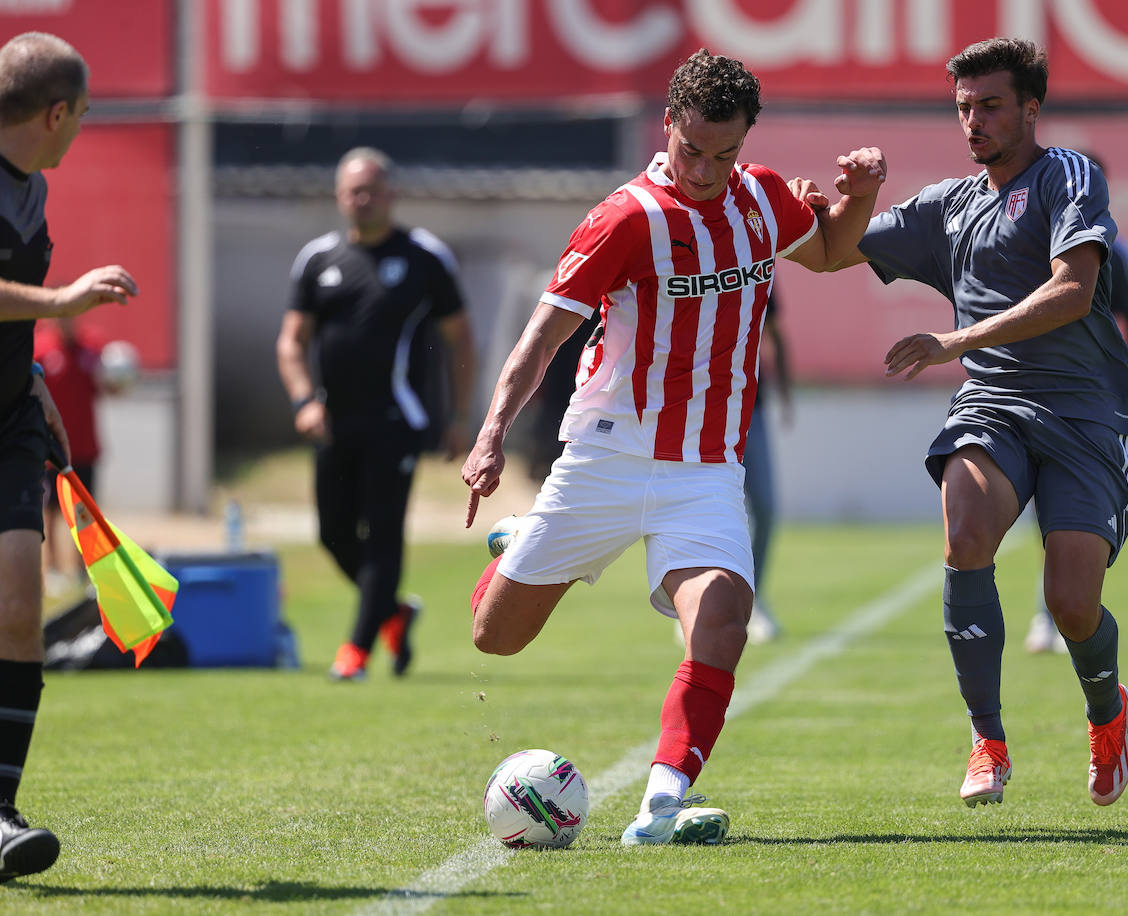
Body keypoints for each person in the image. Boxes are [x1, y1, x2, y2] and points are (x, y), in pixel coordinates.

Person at [461, 48, 885, 845]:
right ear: (668, 125)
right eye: (692, 149)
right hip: (608, 454)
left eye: (723, 154)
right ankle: (519, 541)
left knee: (723, 617)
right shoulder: (624, 218)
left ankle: (662, 799)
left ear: (745, 141)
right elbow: (543, 335)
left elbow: (831, 251)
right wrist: (490, 438)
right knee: (496, 636)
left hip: (706, 467)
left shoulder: (760, 199)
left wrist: (859, 199)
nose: (705, 169)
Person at [790, 37, 1128, 808]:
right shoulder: (949, 205)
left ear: (1030, 109)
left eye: (989, 106)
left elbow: (1073, 292)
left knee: (1074, 606)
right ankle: (988, 740)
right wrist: (841, 198)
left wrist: (956, 339)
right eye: (963, 108)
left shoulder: (1067, 175)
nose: (973, 121)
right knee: (965, 531)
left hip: (1082, 412)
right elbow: (824, 253)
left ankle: (1108, 714)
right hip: (994, 404)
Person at [0, 31, 140, 882]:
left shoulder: (32, 189)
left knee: (19, 605)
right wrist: (61, 299)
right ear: (56, 112)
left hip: (10, 416)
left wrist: (36, 382)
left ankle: (1, 812)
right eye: (80, 115)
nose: (81, 128)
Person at [276, 147, 474, 681]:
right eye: (351, 191)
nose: (360, 200)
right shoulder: (318, 259)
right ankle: (393, 612)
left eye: (370, 190)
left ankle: (356, 651)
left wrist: (458, 415)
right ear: (339, 197)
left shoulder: (424, 257)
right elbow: (292, 341)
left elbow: (460, 340)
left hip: (398, 423)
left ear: (390, 194)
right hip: (333, 423)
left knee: (384, 532)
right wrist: (302, 401)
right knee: (333, 533)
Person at [1024, 150, 1128, 654]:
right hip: (1037, 404)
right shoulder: (1038, 247)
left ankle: (1058, 617)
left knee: (1081, 521)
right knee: (1049, 516)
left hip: (1096, 410)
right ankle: (1045, 616)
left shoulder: (1118, 255)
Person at [32, 317, 115, 594]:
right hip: (51, 448)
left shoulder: (92, 350)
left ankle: (83, 570)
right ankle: (54, 570)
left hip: (85, 447)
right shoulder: (41, 349)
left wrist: (116, 382)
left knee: (85, 513)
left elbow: (105, 387)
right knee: (52, 511)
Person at [740, 289, 792, 642]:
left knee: (765, 508)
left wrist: (785, 394)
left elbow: (773, 333)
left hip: (748, 407)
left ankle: (751, 598)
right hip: (693, 407)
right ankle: (692, 601)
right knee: (699, 510)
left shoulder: (757, 257)